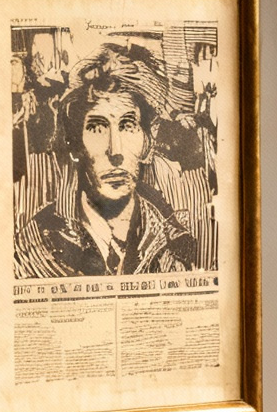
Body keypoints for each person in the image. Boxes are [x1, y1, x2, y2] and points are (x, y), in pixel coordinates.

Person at [16, 53, 198, 279]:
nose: (116, 152)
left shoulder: (176, 245)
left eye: (128, 126)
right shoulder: (34, 246)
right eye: (97, 129)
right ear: (74, 145)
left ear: (147, 142)